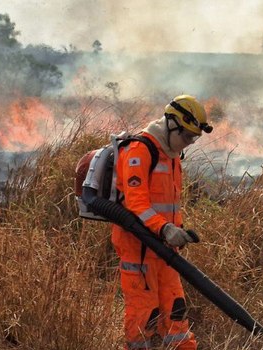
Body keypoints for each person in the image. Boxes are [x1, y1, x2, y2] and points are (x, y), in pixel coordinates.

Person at [112, 95, 213, 350]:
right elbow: (136, 203)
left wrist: (176, 232)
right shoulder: (139, 151)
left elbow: (168, 205)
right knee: (144, 315)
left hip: (165, 249)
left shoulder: (172, 155)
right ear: (171, 124)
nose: (189, 143)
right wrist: (165, 228)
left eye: (194, 138)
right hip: (138, 249)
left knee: (175, 310)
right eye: (187, 136)